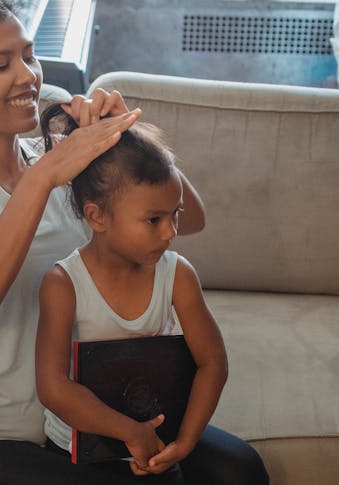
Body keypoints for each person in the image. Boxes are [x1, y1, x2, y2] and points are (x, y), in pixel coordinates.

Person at [0, 1, 208, 483]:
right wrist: (45, 177)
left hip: (82, 426)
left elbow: (191, 220)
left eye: (29, 57)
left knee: (239, 471)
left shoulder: (62, 159)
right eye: (1, 64)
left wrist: (125, 139)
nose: (27, 76)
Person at [36, 105, 269, 484]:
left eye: (175, 214)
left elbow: (212, 362)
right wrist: (130, 433)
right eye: (154, 220)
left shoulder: (177, 274)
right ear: (97, 217)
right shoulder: (63, 284)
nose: (171, 232)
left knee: (244, 468)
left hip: (160, 433)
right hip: (83, 451)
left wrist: (185, 442)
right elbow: (53, 387)